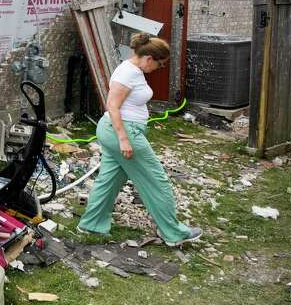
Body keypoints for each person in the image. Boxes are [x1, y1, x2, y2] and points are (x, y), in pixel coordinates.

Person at [77, 32, 202, 246]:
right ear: (148, 58)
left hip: (119, 131)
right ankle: (173, 233)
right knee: (156, 180)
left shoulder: (134, 71)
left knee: (110, 179)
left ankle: (92, 224)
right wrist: (124, 139)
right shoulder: (128, 73)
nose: (159, 69)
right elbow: (112, 106)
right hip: (123, 132)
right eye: (160, 65)